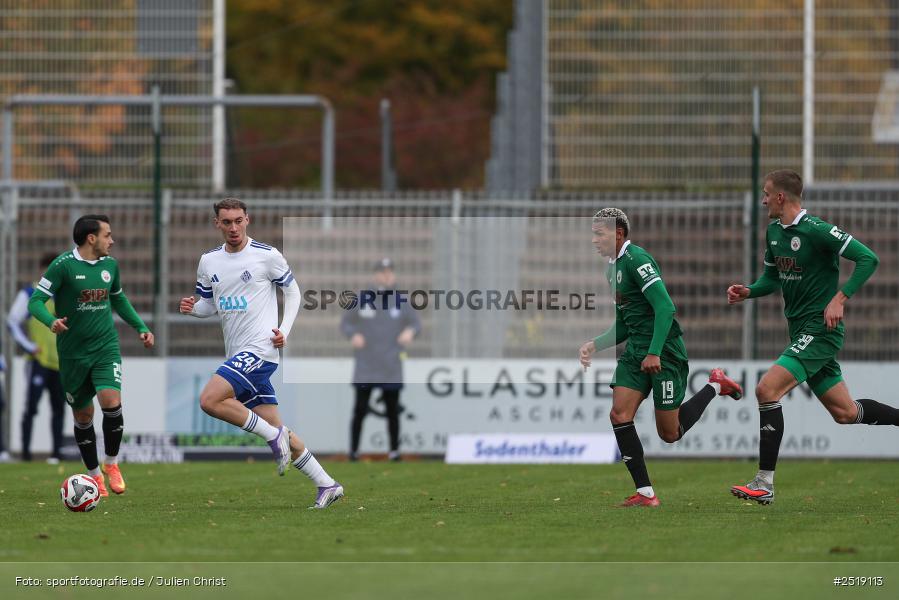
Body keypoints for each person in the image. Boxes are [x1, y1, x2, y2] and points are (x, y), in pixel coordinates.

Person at [726, 169, 898, 505]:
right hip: (801, 331)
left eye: (766, 194)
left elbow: (868, 258)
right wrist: (749, 291)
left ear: (780, 197)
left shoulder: (818, 230)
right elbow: (772, 279)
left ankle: (764, 483)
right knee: (846, 413)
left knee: (766, 388)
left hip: (820, 331)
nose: (762, 200)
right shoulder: (773, 232)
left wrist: (839, 298)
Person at [179, 198, 343, 509]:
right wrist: (193, 309)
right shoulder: (209, 261)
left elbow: (293, 292)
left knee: (210, 400)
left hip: (261, 349)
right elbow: (208, 305)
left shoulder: (267, 256)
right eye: (226, 222)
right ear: (217, 224)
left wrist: (285, 331)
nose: (233, 228)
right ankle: (327, 483)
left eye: (238, 220)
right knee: (280, 429)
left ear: (247, 220)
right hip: (237, 353)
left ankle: (271, 437)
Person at [579, 208, 743, 507]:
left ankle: (716, 385)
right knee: (619, 415)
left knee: (670, 433)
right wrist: (596, 344)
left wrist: (654, 351)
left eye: (599, 233)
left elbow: (665, 308)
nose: (594, 240)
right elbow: (626, 323)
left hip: (663, 351)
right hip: (636, 354)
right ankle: (645, 493)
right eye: (593, 233)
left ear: (618, 233)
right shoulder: (610, 270)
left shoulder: (637, 261)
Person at [28, 215, 154, 496]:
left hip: (105, 347)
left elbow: (118, 297)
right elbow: (35, 301)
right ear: (91, 238)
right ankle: (94, 475)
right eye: (108, 235)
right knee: (84, 415)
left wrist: (141, 327)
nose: (113, 240)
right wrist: (51, 321)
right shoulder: (63, 266)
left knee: (111, 401)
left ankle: (111, 463)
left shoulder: (110, 265)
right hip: (73, 355)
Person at [340, 258, 421, 461]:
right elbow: (346, 323)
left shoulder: (400, 300)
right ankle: (354, 452)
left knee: (393, 411)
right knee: (360, 409)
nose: (386, 275)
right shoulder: (363, 298)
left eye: (389, 271)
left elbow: (416, 323)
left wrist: (410, 331)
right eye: (382, 271)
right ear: (375, 274)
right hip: (367, 364)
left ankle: (394, 451)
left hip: (391, 363)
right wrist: (353, 335)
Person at [7, 253, 66, 463]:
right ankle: (25, 454)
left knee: (59, 407)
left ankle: (56, 454)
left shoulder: (63, 296)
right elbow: (12, 321)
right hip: (38, 362)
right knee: (31, 407)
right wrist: (29, 346)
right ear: (42, 271)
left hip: (60, 363)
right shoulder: (31, 293)